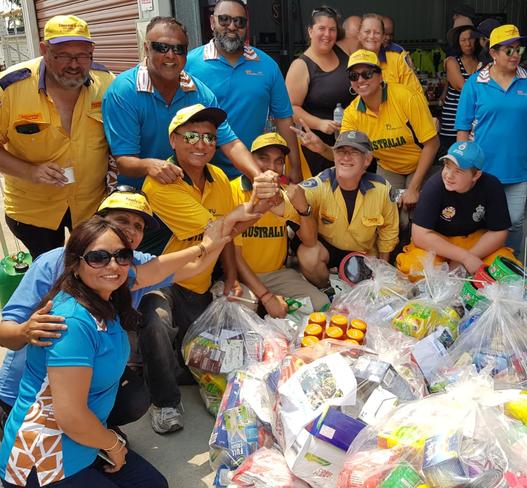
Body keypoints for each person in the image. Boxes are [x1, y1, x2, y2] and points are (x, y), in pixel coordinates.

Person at [0, 188, 233, 434]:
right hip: (28, 396)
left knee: (133, 398)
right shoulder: (52, 263)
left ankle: (95, 427)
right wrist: (25, 331)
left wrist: (220, 238)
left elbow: (191, 267)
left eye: (138, 226)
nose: (131, 231)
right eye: (122, 220)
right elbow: (5, 331)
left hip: (87, 386)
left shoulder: (129, 267)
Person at [0, 217, 168, 487]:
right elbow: (70, 416)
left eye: (122, 256)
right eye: (98, 257)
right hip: (43, 458)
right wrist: (113, 444)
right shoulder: (71, 323)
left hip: (81, 442)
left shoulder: (107, 300)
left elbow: (172, 267)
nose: (113, 265)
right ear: (75, 265)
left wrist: (214, 239)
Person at [139, 104, 265, 434]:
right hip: (163, 278)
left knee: (218, 346)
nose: (201, 143)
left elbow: (227, 237)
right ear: (174, 140)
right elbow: (217, 228)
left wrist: (232, 281)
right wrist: (255, 205)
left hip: (199, 280)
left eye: (209, 137)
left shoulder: (220, 178)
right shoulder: (159, 184)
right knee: (156, 322)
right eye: (192, 135)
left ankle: (170, 366)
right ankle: (164, 403)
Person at [0, 15, 114, 259]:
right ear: (44, 50)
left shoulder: (107, 83)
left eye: (82, 55)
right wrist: (30, 171)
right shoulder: (10, 88)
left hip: (91, 206)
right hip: (33, 210)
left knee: (91, 270)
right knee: (47, 276)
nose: (74, 64)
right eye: (63, 55)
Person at [103, 16, 261, 191]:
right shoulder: (124, 92)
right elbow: (124, 161)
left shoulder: (201, 94)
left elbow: (230, 143)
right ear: (147, 48)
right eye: (162, 47)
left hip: (186, 192)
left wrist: (258, 176)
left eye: (179, 49)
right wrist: (149, 166)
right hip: (138, 198)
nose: (171, 55)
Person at [295, 50, 439, 226]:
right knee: (392, 217)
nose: (360, 80)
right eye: (354, 76)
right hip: (388, 167)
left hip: (420, 162)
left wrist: (414, 188)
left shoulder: (406, 97)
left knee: (418, 212)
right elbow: (344, 156)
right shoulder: (351, 114)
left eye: (367, 74)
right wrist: (321, 147)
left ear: (380, 76)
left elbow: (432, 144)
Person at [456, 24, 527, 256]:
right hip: (481, 170)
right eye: (508, 50)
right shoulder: (475, 84)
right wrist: (461, 166)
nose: (515, 55)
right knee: (482, 222)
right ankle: (482, 268)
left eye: (519, 49)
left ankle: (511, 264)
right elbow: (462, 129)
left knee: (515, 222)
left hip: (517, 167)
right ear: (493, 53)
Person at [185, 0, 302, 182]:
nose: (232, 26)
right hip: (204, 174)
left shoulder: (267, 65)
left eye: (239, 21)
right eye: (224, 20)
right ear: (212, 22)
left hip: (254, 172)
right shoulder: (189, 65)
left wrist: (295, 166)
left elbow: (284, 118)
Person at [232, 133, 330, 314]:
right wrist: (266, 297)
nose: (272, 167)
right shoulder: (232, 190)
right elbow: (232, 255)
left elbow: (310, 242)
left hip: (277, 274)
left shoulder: (285, 194)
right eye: (263, 159)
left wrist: (303, 209)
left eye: (278, 161)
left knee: (321, 304)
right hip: (240, 275)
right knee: (243, 310)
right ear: (250, 160)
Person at [296, 131, 399, 288]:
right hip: (329, 249)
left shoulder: (382, 189)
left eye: (354, 152)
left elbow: (388, 231)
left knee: (371, 292)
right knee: (308, 255)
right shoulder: (321, 183)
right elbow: (294, 197)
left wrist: (381, 271)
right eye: (341, 151)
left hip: (364, 253)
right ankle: (328, 290)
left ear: (367, 159)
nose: (345, 157)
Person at [398, 141, 516, 278]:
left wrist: (470, 257)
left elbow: (499, 232)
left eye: (458, 171)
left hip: (476, 242)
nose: (448, 175)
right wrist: (463, 257)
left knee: (505, 271)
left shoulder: (491, 186)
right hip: (440, 243)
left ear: (476, 175)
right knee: (415, 269)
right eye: (447, 167)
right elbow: (420, 235)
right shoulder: (434, 187)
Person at [285, 6, 354, 176]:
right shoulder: (301, 66)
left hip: (350, 139)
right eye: (321, 29)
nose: (327, 34)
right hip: (317, 144)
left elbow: (360, 28)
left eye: (332, 29)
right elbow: (291, 108)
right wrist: (320, 124)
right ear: (310, 31)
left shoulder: (344, 50)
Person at [357, 13, 423, 97]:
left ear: (382, 37)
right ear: (358, 35)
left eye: (377, 32)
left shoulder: (397, 59)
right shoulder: (352, 61)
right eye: (367, 31)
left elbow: (416, 93)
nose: (372, 36)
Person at [438, 25, 479, 155]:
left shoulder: (480, 61)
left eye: (471, 39)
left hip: (474, 121)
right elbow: (463, 86)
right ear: (457, 43)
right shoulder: (452, 61)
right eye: (463, 40)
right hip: (453, 119)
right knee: (454, 158)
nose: (468, 43)